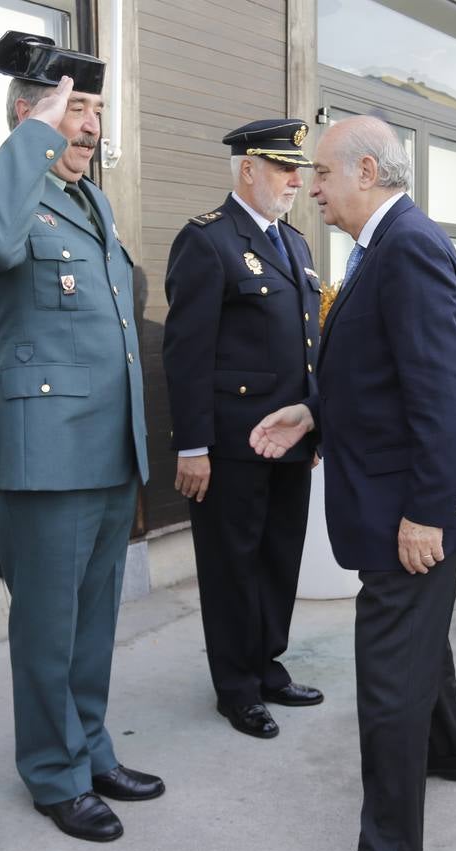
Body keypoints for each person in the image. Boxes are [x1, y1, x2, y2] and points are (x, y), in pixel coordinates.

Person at [250, 116, 456, 851]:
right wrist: (313, 411)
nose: (310, 187)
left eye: (320, 172)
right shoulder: (382, 246)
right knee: (417, 648)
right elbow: (378, 370)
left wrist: (428, 512)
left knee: (386, 682)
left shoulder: (409, 246)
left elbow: (444, 393)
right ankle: (451, 750)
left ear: (365, 171)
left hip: (408, 511)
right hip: (392, 494)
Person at [0, 32, 162, 842]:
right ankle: (52, 773)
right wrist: (31, 139)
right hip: (45, 456)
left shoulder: (90, 201)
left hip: (107, 448)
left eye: (98, 110)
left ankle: (91, 748)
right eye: (76, 109)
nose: (91, 125)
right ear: (29, 114)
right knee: (47, 626)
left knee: (96, 620)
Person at [163, 119, 324, 740]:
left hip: (290, 441)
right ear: (247, 170)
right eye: (283, 169)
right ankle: (236, 686)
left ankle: (267, 665)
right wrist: (193, 446)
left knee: (279, 558)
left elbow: (307, 346)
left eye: (298, 171)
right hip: (230, 445)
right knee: (233, 564)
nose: (294, 181)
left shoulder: (297, 243)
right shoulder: (207, 241)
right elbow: (186, 353)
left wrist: (312, 428)